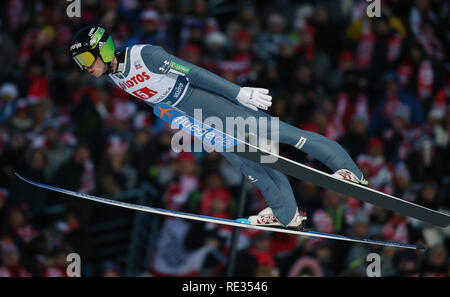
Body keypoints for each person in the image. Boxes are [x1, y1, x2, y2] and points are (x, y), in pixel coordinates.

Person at [69, 25, 368, 229]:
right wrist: (179, 122)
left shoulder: (145, 56)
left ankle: (348, 169)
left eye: (85, 58)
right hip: (191, 117)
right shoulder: (114, 77)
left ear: (103, 49)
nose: (85, 67)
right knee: (249, 163)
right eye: (79, 62)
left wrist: (237, 92)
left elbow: (196, 73)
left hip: (207, 101)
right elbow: (152, 100)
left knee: (282, 135)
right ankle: (286, 214)